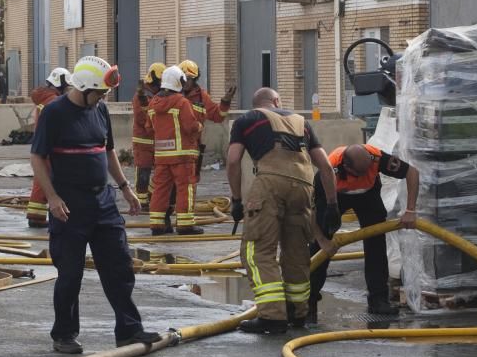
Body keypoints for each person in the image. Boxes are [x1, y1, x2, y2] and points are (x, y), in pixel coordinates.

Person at [30, 55, 162, 355]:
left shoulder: (99, 110)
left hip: (103, 202)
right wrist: (52, 198)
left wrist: (126, 188)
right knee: (70, 273)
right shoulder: (55, 113)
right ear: (85, 87)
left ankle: (129, 329)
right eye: (100, 93)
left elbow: (108, 151)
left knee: (119, 267)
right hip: (69, 205)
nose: (103, 98)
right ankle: (64, 333)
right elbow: (37, 157)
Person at [226, 87, 336, 334]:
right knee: (296, 252)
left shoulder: (247, 119)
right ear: (276, 101)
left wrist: (236, 199)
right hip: (303, 188)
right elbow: (326, 166)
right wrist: (332, 205)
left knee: (257, 251)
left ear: (257, 104)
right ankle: (298, 312)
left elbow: (233, 160)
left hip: (270, 185)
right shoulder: (301, 122)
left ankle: (273, 316)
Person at [310, 143, 419, 316]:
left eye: (368, 170)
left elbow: (412, 172)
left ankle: (378, 300)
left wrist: (410, 211)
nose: (365, 175)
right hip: (335, 197)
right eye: (360, 173)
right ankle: (309, 303)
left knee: (376, 244)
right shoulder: (329, 170)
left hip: (368, 196)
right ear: (346, 166)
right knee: (319, 246)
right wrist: (323, 241)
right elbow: (310, 211)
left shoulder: (377, 158)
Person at [146, 66, 202, 235]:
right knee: (185, 188)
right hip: (183, 156)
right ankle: (185, 224)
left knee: (160, 190)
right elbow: (190, 126)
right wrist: (199, 126)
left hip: (162, 157)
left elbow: (149, 129)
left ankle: (157, 225)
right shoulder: (181, 102)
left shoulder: (153, 103)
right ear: (178, 81)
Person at [25, 67, 71, 227]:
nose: (67, 90)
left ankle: (36, 215)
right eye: (66, 86)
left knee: (42, 177)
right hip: (51, 144)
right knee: (44, 178)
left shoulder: (45, 98)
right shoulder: (52, 100)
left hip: (44, 142)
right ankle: (36, 217)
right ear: (60, 83)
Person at [177, 59, 235, 181]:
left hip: (193, 147)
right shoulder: (172, 94)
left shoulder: (201, 96)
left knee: (190, 183)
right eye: (184, 78)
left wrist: (225, 101)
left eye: (190, 79)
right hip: (174, 147)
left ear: (195, 79)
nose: (187, 82)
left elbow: (217, 116)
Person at [132, 62, 165, 207]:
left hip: (157, 141)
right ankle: (141, 201)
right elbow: (142, 117)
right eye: (159, 82)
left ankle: (151, 196)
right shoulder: (141, 96)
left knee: (161, 172)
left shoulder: (158, 95)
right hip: (143, 141)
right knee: (143, 172)